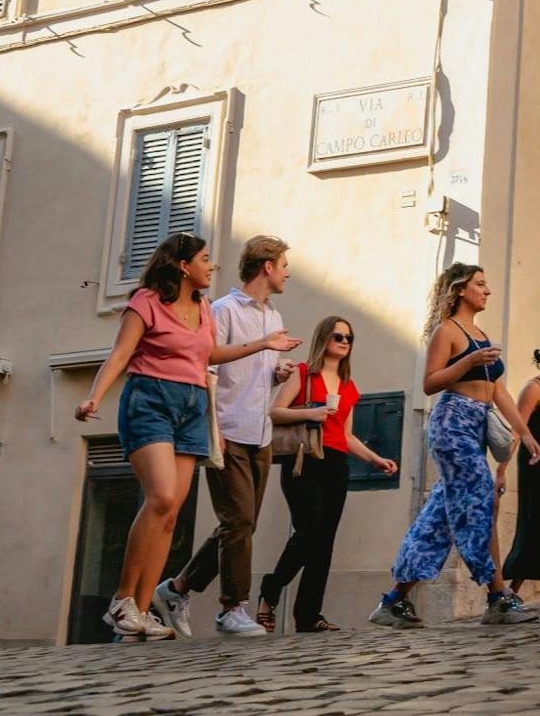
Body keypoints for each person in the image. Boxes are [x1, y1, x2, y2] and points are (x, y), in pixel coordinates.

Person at [75, 234, 299, 640]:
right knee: (161, 498)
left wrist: (265, 347)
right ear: (182, 265)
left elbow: (210, 355)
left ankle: (142, 612)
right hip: (152, 400)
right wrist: (94, 397)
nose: (211, 266)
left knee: (172, 513)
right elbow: (121, 354)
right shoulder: (146, 301)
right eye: (205, 259)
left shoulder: (202, 309)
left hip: (193, 406)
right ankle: (123, 599)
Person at [372, 263, 540, 628]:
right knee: (483, 496)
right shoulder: (446, 332)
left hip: (478, 424)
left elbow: (498, 391)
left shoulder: (479, 332)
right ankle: (497, 596)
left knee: (441, 517)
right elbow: (431, 383)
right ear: (461, 289)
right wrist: (467, 361)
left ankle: (393, 600)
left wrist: (524, 432)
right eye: (481, 284)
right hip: (452, 423)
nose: (488, 290)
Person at [154, 235, 295, 639]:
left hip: (261, 433)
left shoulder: (273, 315)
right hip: (228, 429)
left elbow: (252, 371)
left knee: (238, 525)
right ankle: (232, 609)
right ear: (266, 266)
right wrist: (264, 347)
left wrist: (276, 371)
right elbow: (208, 362)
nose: (288, 272)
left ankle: (177, 588)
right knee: (240, 522)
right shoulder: (222, 310)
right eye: (284, 264)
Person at [257, 315, 397, 632]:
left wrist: (376, 459)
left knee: (324, 542)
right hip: (304, 460)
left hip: (335, 465)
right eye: (338, 337)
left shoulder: (349, 387)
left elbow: (346, 436)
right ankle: (271, 588)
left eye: (349, 338)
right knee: (309, 532)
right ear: (325, 338)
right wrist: (312, 412)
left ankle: (308, 616)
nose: (344, 343)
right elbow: (274, 412)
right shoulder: (305, 374)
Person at [502, 335, 540, 600]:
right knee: (536, 525)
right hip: (537, 468)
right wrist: (501, 469)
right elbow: (517, 430)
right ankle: (510, 592)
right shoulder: (534, 388)